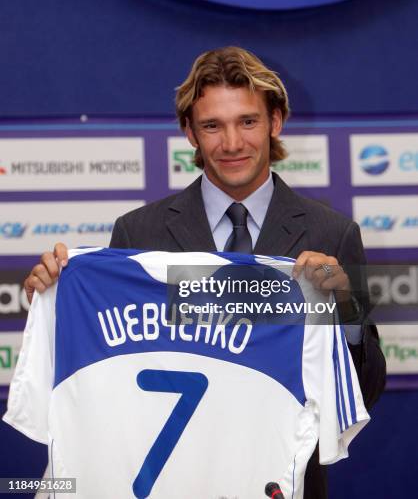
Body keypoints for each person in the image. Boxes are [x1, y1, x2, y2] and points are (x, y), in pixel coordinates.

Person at [24, 46, 386, 499]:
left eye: (247, 122)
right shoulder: (140, 232)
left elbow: (364, 393)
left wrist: (346, 309)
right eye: (212, 125)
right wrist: (58, 297)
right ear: (190, 133)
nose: (232, 143)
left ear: (275, 123)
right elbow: (104, 383)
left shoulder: (331, 234)